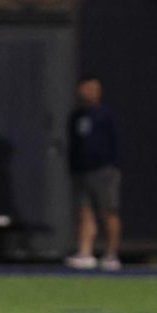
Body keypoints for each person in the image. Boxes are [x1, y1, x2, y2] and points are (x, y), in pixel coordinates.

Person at [64, 76, 122, 271]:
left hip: (104, 170)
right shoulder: (76, 116)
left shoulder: (106, 115)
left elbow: (114, 142)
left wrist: (111, 166)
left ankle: (111, 254)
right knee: (85, 212)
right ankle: (86, 252)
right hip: (82, 171)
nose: (90, 93)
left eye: (94, 89)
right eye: (86, 89)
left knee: (109, 210)